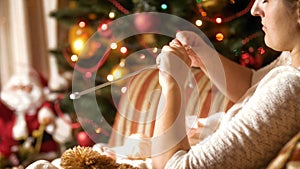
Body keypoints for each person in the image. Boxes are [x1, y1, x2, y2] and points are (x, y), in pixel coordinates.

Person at [152, 0, 300, 168]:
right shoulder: (291, 59)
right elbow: (252, 86)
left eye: (266, 0)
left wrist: (172, 83)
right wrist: (205, 56)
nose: (254, 10)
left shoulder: (292, 88)